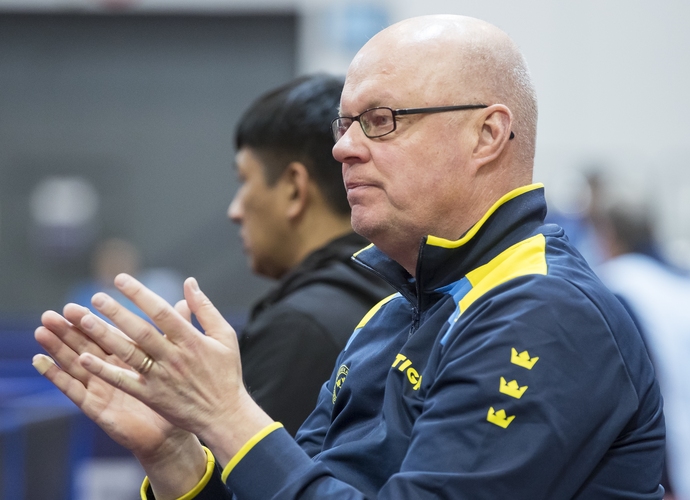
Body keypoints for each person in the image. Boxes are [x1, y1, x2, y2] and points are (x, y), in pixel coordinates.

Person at [34, 14, 665, 499]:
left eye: (382, 120)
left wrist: (228, 416)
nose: (344, 150)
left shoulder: (543, 312)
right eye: (345, 125)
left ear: (487, 135)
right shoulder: (391, 313)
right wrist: (176, 455)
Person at [228, 74, 392, 434]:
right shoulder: (404, 296)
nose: (235, 210)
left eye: (244, 181)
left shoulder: (298, 330)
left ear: (293, 188)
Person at [593, 197, 690, 500]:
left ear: (608, 235)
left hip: (668, 466)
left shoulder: (614, 289)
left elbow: (641, 394)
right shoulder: (679, 283)